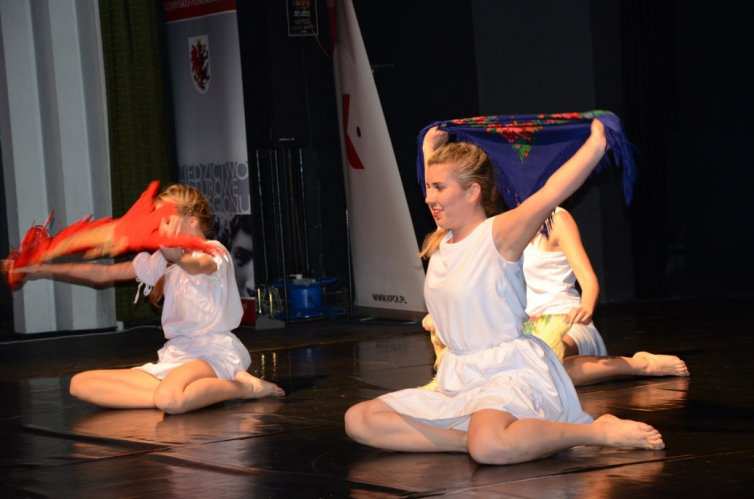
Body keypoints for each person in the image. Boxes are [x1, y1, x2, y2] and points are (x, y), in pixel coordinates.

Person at [344, 120, 664, 465]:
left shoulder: (499, 235)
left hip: (508, 373)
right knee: (359, 420)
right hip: (459, 376)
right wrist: (429, 150)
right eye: (429, 186)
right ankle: (468, 440)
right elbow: (445, 185)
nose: (428, 197)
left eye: (438, 188)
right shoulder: (443, 241)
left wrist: (596, 145)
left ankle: (594, 432)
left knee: (489, 447)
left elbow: (551, 193)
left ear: (472, 192)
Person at [6, 184, 284, 414]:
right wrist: (40, 269)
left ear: (191, 221)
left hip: (213, 352)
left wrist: (174, 254)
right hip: (177, 355)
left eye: (166, 219)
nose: (159, 226)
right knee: (80, 384)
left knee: (170, 400)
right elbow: (102, 274)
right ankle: (187, 392)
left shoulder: (214, 251)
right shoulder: (162, 260)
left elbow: (195, 265)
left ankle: (244, 387)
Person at [421, 206, 689, 387]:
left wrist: (586, 306)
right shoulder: (498, 223)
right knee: (511, 373)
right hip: (523, 328)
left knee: (542, 365)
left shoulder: (556, 218)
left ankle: (638, 365)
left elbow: (588, 280)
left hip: (565, 320)